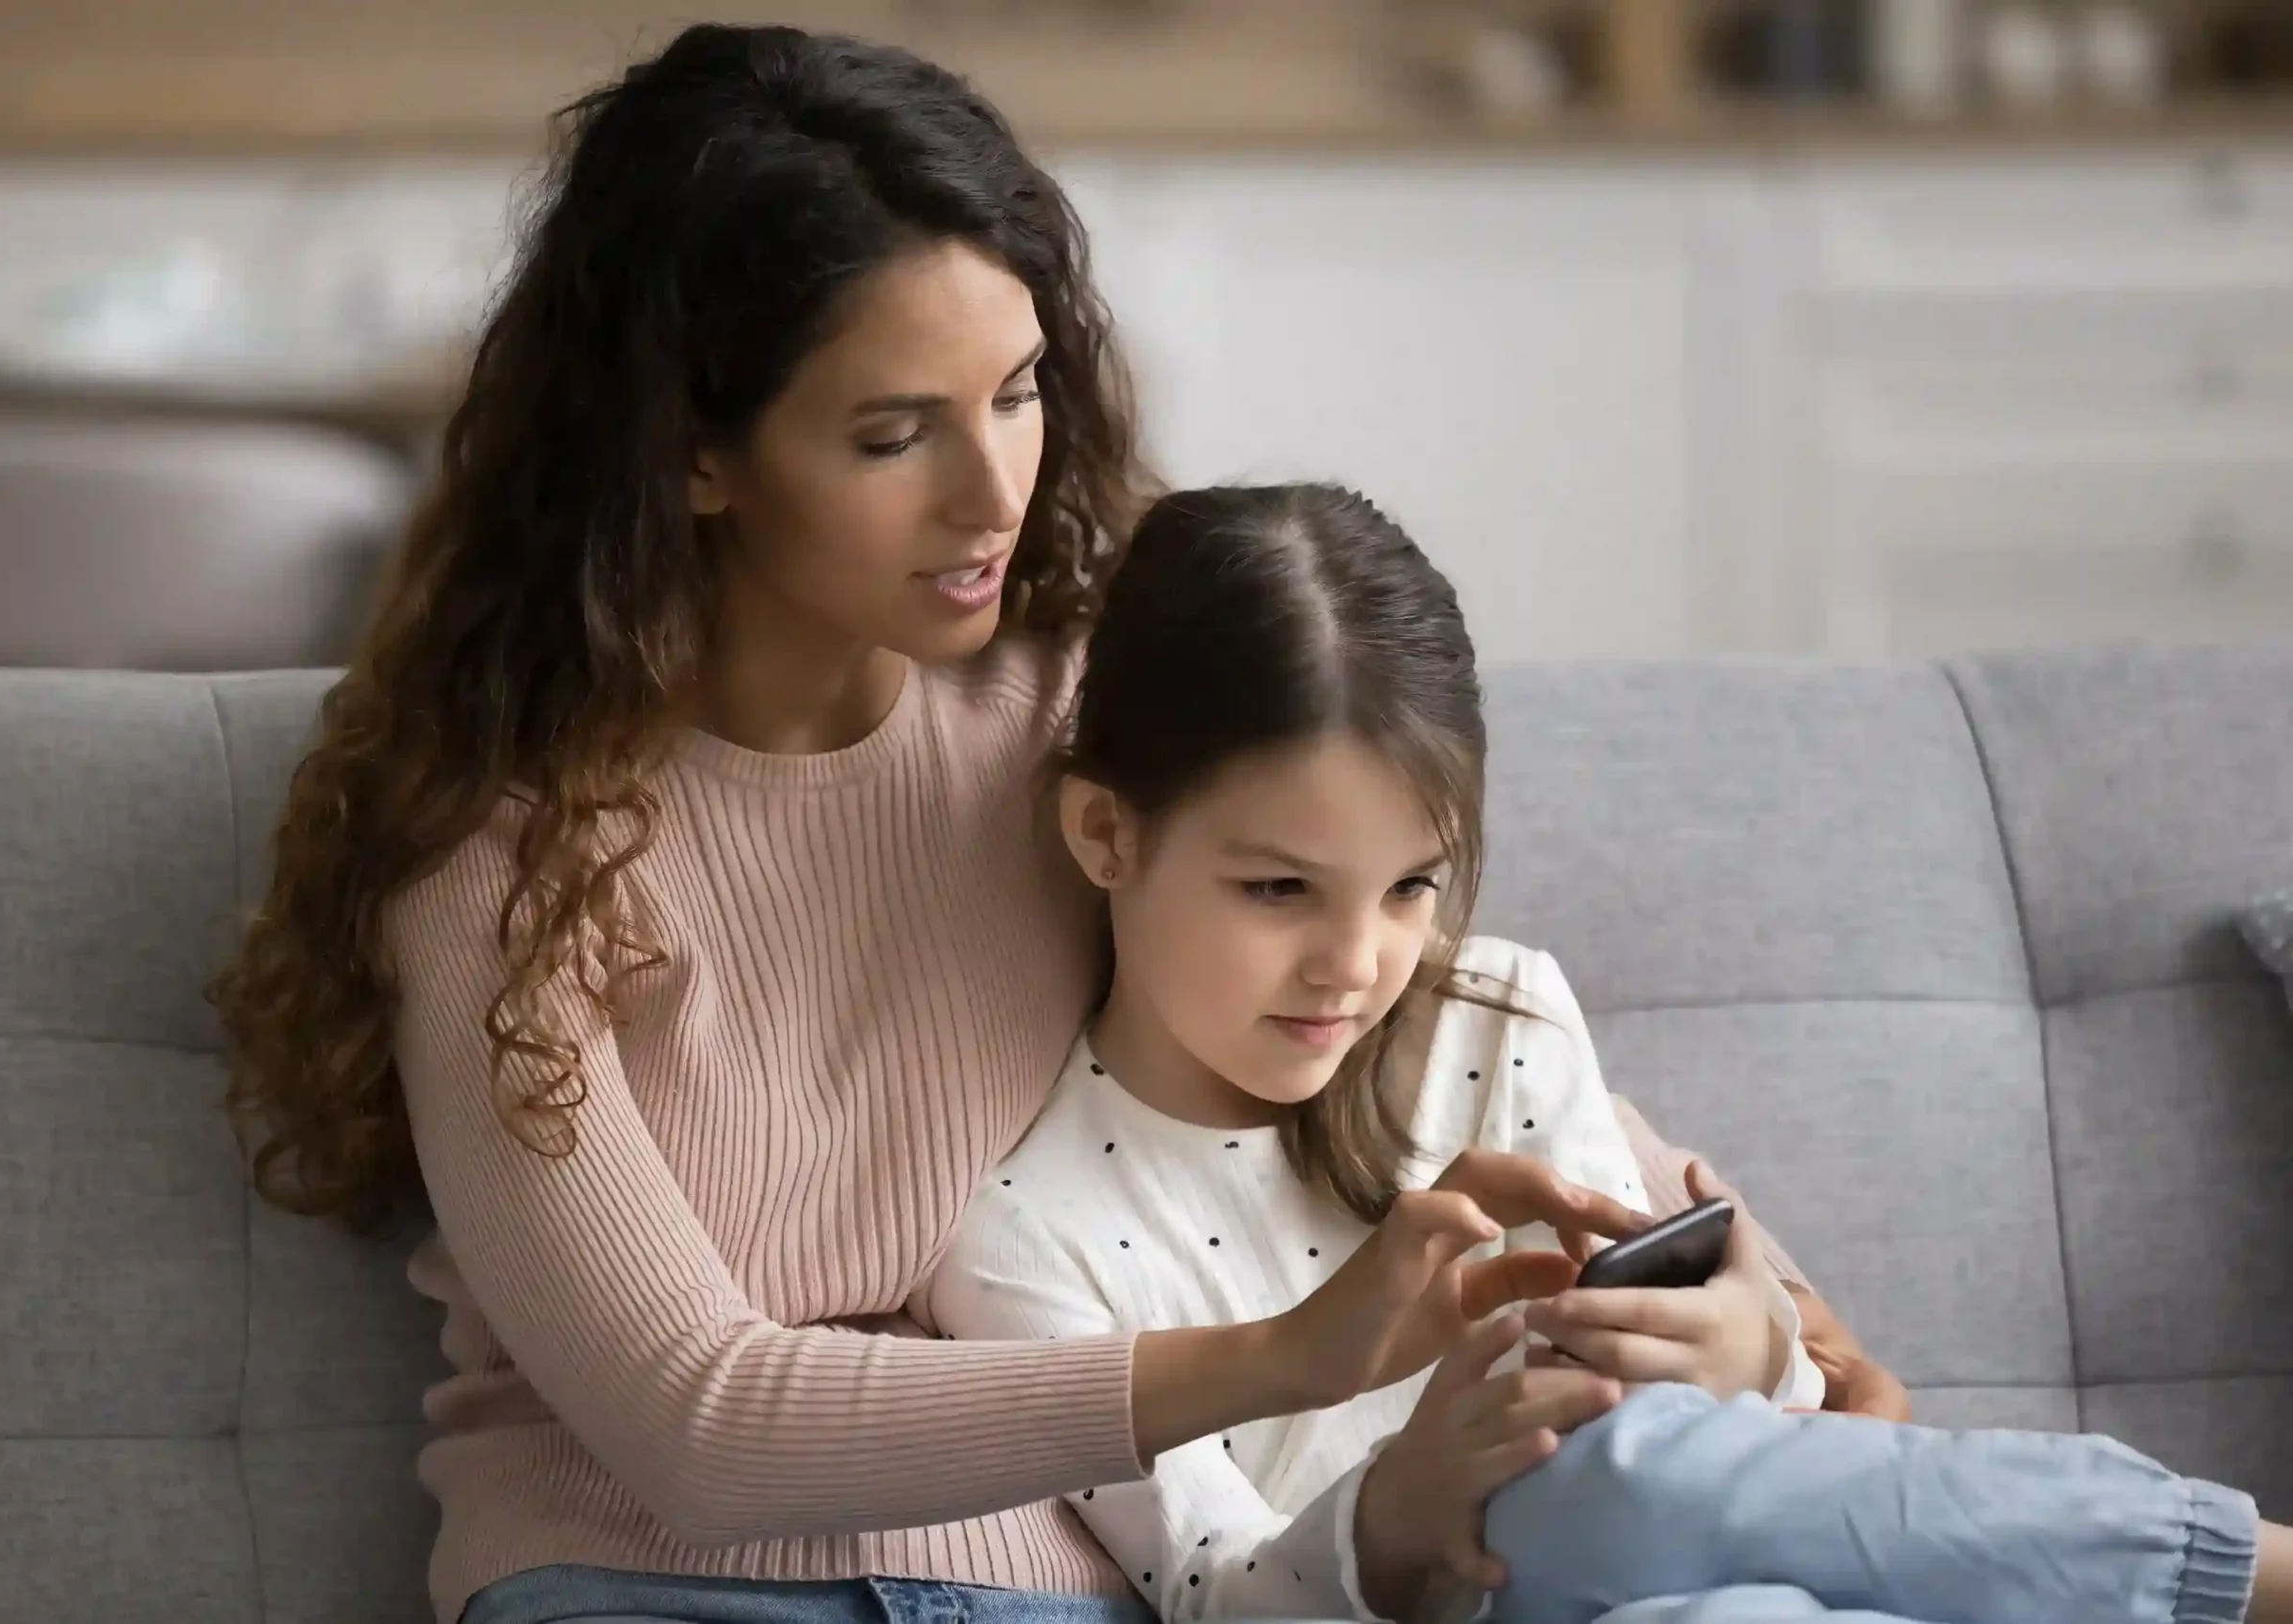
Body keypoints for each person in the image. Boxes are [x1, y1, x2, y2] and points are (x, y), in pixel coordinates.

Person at [208, 23, 1897, 1624]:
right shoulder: (498, 862)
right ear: (693, 453)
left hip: (1048, 1586)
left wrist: (1770, 1310)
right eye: (894, 435)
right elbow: (696, 1427)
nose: (993, 494)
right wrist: (1286, 1358)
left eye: (1017, 393)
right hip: (645, 1578)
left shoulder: (1070, 714)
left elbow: (1410, 1005)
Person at [929, 480, 2293, 1624]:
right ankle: (2241, 1572)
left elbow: (1734, 1434)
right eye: (1279, 890)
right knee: (1613, 1486)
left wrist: (1751, 1347)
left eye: (1410, 888)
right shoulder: (1023, 1234)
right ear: (1106, 834)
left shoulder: (1494, 1019)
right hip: (1442, 1597)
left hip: (1672, 1572)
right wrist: (1400, 1509)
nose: (1356, 962)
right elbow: (1214, 1590)